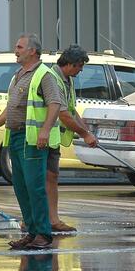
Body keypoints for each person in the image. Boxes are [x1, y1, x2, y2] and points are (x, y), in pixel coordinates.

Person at [0, 33, 63, 250]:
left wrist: (45, 131)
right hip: (16, 137)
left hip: (33, 139)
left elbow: (55, 103)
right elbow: (11, 109)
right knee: (20, 187)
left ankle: (43, 235)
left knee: (35, 187)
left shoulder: (44, 75)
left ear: (32, 51)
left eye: (19, 47)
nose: (15, 50)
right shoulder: (18, 75)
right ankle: (31, 231)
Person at [46, 45, 97, 232]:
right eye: (80, 66)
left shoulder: (67, 79)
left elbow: (71, 109)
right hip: (40, 137)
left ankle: (52, 220)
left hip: (50, 139)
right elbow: (64, 115)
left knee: (51, 177)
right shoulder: (52, 79)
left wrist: (87, 131)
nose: (81, 70)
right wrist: (84, 134)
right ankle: (38, 221)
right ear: (69, 64)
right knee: (41, 180)